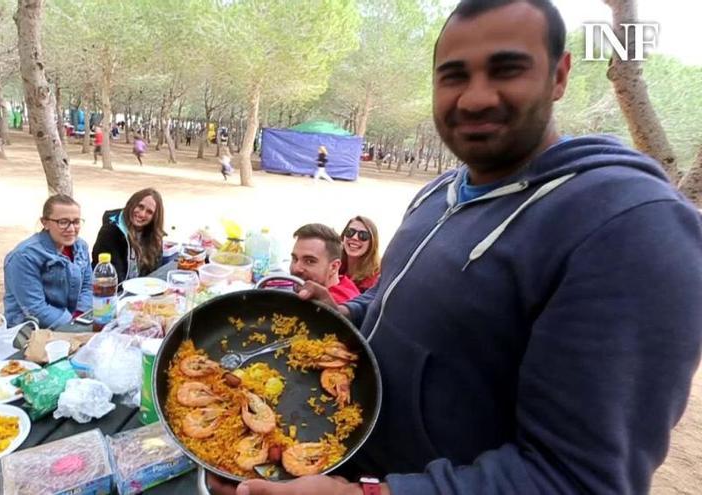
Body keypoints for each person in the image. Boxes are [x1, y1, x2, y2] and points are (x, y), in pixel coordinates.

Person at [210, 1, 702, 494]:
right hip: (348, 453)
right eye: (453, 76)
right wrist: (345, 314)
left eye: (507, 69)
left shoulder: (632, 227)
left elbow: (580, 480)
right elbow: (399, 307)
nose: (475, 98)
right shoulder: (440, 192)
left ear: (560, 74)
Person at [3, 194, 92, 329]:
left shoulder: (81, 247)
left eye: (76, 222)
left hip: (74, 323)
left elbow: (88, 286)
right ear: (45, 222)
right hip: (31, 332)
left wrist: (80, 316)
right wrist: (72, 325)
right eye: (63, 222)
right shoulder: (24, 257)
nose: (71, 229)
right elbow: (36, 308)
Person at [92, 188, 165, 282]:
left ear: (155, 217)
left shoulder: (154, 236)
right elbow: (113, 277)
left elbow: (154, 274)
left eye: (149, 212)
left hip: (143, 290)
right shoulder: (110, 232)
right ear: (132, 204)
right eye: (140, 206)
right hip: (113, 291)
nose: (142, 214)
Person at [289, 223, 359, 305]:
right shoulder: (343, 282)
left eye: (310, 261)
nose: (296, 268)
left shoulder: (337, 305)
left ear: (334, 267)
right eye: (295, 259)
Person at [339, 216, 380, 293]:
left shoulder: (376, 280)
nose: (354, 237)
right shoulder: (333, 269)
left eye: (363, 235)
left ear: (372, 243)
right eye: (350, 232)